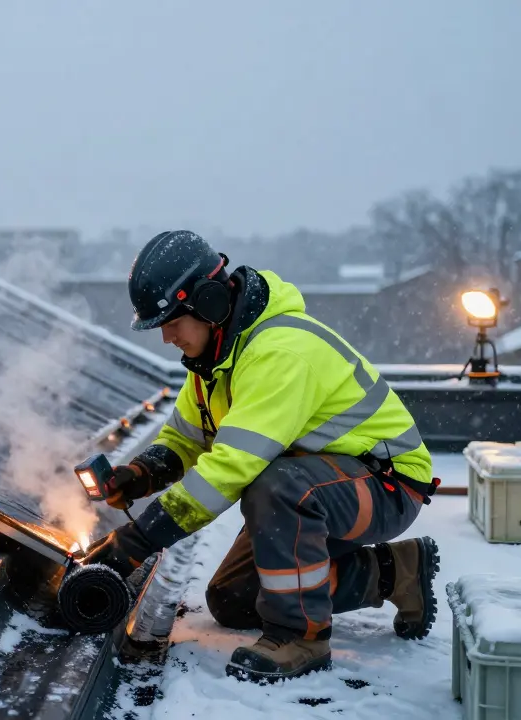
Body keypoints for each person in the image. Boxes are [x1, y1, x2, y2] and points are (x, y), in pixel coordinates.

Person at [80, 230, 440, 684]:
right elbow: (186, 439)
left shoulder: (280, 353)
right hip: (324, 485)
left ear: (209, 303)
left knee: (277, 484)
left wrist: (135, 543)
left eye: (172, 322)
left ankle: (300, 638)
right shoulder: (215, 362)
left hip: (386, 485)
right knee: (234, 599)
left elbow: (231, 466)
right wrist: (140, 473)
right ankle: (395, 574)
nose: (167, 337)